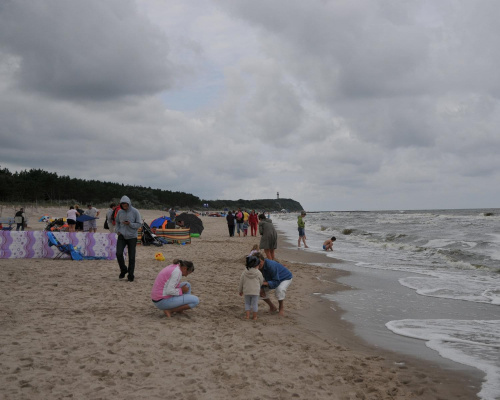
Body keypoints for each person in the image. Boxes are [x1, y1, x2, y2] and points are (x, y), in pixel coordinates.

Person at [115, 195, 142, 282]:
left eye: (126, 205)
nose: (124, 207)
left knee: (131, 257)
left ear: (129, 203)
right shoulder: (119, 212)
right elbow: (117, 222)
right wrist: (117, 230)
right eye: (123, 205)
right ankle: (123, 269)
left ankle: (130, 275)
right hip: (122, 235)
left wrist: (130, 224)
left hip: (132, 236)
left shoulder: (135, 211)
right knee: (118, 253)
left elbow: (139, 224)